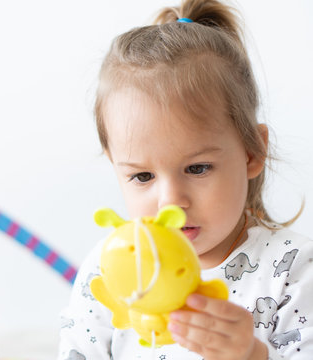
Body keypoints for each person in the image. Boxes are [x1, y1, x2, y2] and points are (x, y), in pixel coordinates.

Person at [58, 0, 313, 359]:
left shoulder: (293, 269)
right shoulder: (108, 266)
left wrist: (254, 355)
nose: (171, 202)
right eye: (142, 175)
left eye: (197, 168)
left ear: (252, 152)